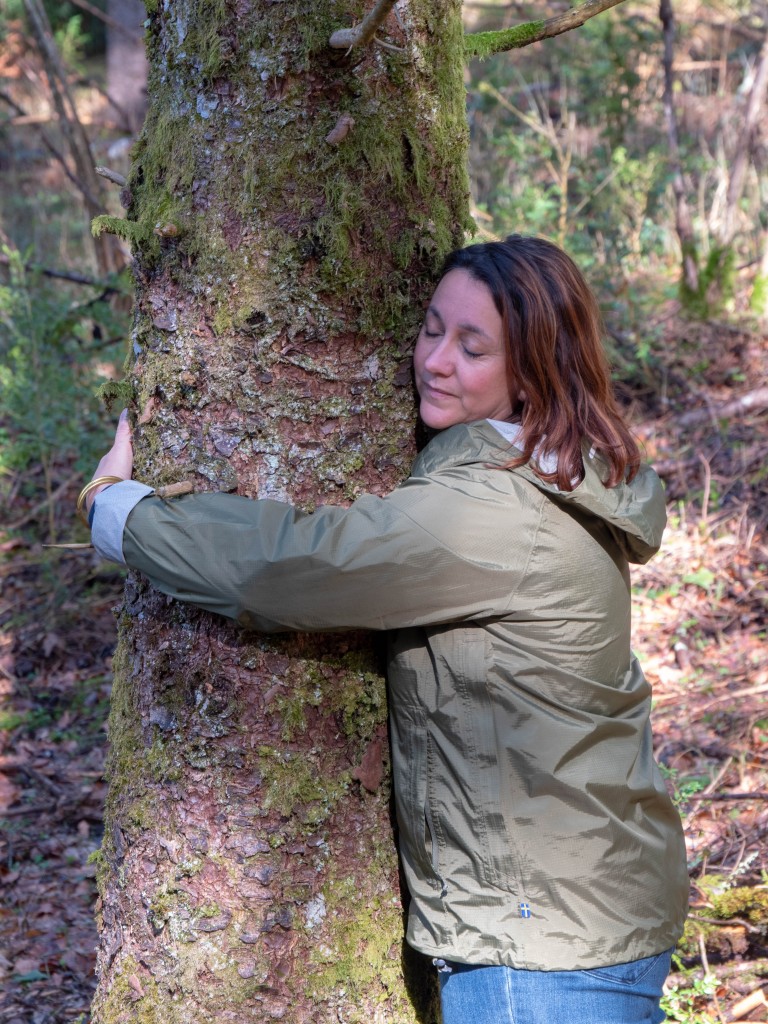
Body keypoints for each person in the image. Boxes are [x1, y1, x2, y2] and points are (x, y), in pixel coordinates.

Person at [84, 235, 688, 1024]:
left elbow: (295, 567)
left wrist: (117, 509)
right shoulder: (563, 470)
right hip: (586, 911)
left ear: (534, 371)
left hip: (541, 945)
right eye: (432, 328)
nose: (436, 360)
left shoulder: (492, 510)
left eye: (473, 348)